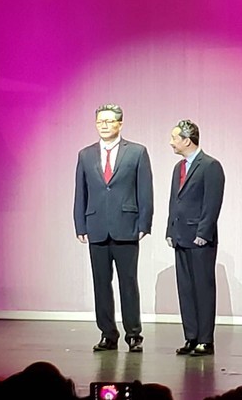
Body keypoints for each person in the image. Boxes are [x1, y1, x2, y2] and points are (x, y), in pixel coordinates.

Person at [74, 104, 154, 353]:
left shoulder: (137, 152)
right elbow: (80, 192)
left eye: (109, 121)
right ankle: (108, 334)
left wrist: (144, 223)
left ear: (120, 123)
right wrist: (80, 224)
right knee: (101, 284)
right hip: (96, 226)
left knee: (128, 283)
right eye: (100, 122)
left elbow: (145, 190)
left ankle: (134, 334)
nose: (104, 125)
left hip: (126, 226)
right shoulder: (85, 155)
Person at [166, 120, 225, 356]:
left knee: (203, 288)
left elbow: (212, 203)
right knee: (186, 289)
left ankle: (205, 339)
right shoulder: (178, 168)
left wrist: (203, 232)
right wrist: (170, 230)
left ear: (187, 140)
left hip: (200, 239)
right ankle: (191, 337)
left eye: (174, 138)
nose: (171, 142)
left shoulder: (210, 166)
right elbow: (174, 201)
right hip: (180, 236)